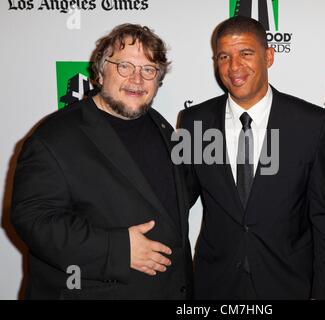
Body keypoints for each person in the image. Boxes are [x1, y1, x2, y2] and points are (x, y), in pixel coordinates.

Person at [11, 24, 192, 299]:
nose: (137, 78)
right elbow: (33, 219)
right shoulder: (54, 137)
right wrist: (117, 249)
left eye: (148, 69)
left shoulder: (163, 128)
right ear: (99, 71)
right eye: (125, 66)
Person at [177, 16, 325, 299]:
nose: (234, 66)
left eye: (246, 53)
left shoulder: (311, 123)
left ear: (269, 56)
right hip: (215, 284)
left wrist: (321, 291)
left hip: (289, 283)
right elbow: (176, 202)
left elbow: (322, 218)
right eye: (224, 56)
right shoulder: (194, 122)